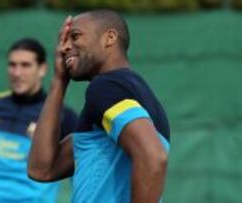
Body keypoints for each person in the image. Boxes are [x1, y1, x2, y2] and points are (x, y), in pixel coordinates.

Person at [28, 10, 170, 203]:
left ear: (109, 38)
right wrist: (59, 81)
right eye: (65, 40)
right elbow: (42, 169)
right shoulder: (126, 95)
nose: (65, 47)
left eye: (75, 36)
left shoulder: (106, 86)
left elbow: (153, 157)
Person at [0, 38, 77, 203]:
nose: (17, 73)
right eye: (12, 65)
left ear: (42, 69)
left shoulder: (62, 116)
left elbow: (80, 171)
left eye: (25, 65)